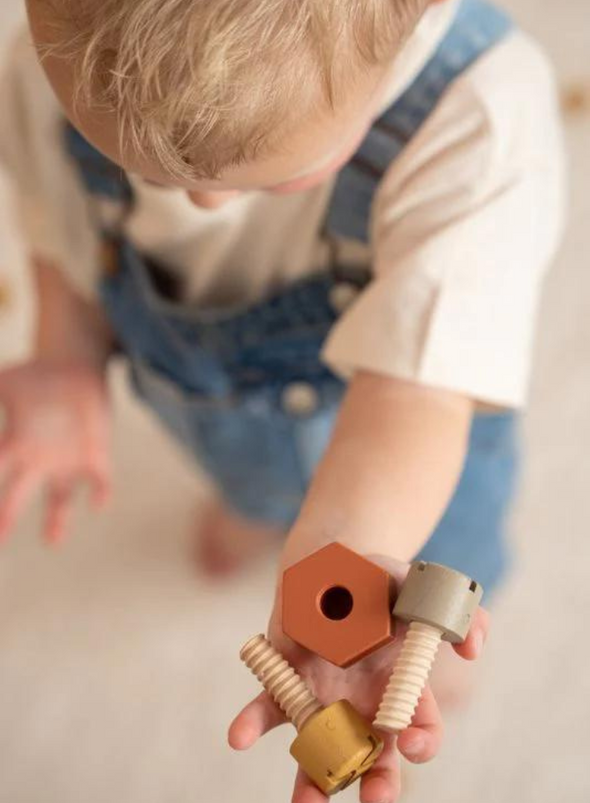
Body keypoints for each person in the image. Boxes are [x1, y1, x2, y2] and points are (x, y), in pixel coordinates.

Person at [0, 1, 564, 800]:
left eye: (271, 175)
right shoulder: (46, 65)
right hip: (223, 410)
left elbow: (415, 397)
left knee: (445, 568)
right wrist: (63, 355)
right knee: (248, 477)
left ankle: (369, 595)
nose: (203, 205)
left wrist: (349, 565)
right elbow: (65, 231)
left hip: (415, 462)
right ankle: (263, 507)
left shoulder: (475, 117)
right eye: (146, 171)